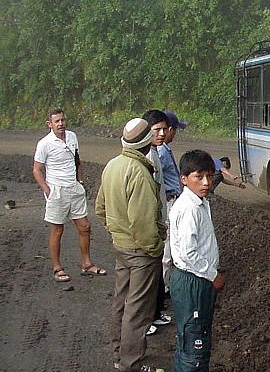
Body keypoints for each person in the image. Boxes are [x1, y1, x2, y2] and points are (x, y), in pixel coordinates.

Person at [95, 117, 166, 372]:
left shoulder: (113, 165)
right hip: (141, 253)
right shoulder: (140, 173)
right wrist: (156, 249)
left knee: (121, 302)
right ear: (147, 144)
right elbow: (144, 223)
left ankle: (119, 356)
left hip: (121, 247)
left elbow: (100, 208)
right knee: (138, 312)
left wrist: (116, 233)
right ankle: (131, 365)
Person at [32, 107, 106, 283]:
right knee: (57, 230)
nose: (61, 124)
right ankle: (57, 268)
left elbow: (77, 160)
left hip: (74, 188)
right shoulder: (44, 143)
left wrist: (80, 182)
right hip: (56, 190)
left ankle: (87, 264)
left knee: (85, 226)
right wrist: (47, 190)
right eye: (57, 121)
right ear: (49, 124)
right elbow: (36, 169)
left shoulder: (72, 137)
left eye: (63, 120)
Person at [170, 150, 225, 372]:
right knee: (195, 342)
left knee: (191, 336)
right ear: (184, 179)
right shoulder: (190, 208)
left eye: (210, 177)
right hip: (193, 280)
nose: (206, 182)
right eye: (199, 177)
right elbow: (187, 253)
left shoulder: (200, 202)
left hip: (196, 278)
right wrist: (213, 275)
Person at [141, 109, 172, 335]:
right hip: (149, 222)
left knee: (157, 267)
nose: (161, 134)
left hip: (159, 217)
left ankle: (156, 312)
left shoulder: (156, 151)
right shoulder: (146, 158)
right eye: (156, 130)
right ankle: (145, 319)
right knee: (147, 272)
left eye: (163, 129)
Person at [157, 111, 187, 286]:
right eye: (175, 130)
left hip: (172, 198)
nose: (175, 134)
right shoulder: (161, 151)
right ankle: (164, 284)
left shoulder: (165, 149)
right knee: (168, 242)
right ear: (169, 129)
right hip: (168, 200)